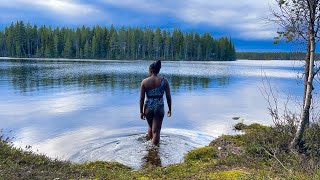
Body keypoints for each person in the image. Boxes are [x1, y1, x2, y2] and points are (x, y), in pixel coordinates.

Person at [140, 60, 172, 145]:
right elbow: (168, 97)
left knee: (150, 127)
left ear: (150, 70)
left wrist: (141, 112)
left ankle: (149, 147)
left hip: (148, 107)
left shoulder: (144, 82)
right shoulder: (164, 81)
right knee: (156, 131)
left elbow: (141, 98)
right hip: (159, 107)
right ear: (158, 71)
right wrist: (170, 109)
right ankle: (154, 151)